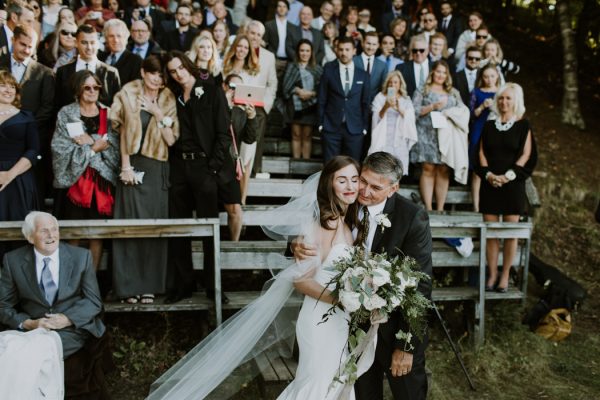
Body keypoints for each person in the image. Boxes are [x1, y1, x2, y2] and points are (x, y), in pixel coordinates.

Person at [146, 155, 363, 400]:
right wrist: (340, 299)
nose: (350, 187)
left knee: (335, 386)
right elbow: (301, 280)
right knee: (318, 386)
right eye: (342, 180)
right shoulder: (324, 222)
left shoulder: (350, 222)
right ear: (328, 184)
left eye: (355, 180)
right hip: (321, 320)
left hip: (340, 321)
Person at [294, 152, 433, 400]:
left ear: (393, 188)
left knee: (408, 394)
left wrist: (406, 347)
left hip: (393, 330)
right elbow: (316, 230)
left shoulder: (411, 217)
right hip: (350, 328)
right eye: (363, 181)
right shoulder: (346, 202)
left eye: (375, 187)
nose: (365, 191)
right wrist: (295, 244)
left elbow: (420, 285)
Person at [0, 211, 111, 397]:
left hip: (72, 330)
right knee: (6, 348)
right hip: (33, 330)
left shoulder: (80, 257)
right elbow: (2, 305)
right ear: (30, 237)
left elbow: (93, 301)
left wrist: (67, 319)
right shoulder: (13, 261)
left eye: (54, 229)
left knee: (26, 355)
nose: (51, 235)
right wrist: (30, 323)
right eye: (44, 231)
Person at [164, 51, 232, 303]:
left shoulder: (211, 91)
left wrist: (212, 168)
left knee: (209, 231)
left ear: (189, 66)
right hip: (179, 166)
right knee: (179, 228)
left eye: (181, 68)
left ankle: (213, 286)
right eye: (173, 71)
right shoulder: (172, 97)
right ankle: (184, 284)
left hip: (204, 168)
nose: (179, 74)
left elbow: (224, 133)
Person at [110, 55, 178, 304]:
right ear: (142, 72)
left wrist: (157, 112)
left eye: (161, 75)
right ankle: (128, 287)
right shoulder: (128, 92)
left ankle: (149, 286)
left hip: (157, 166)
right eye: (152, 73)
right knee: (129, 227)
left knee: (152, 228)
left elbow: (171, 140)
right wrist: (125, 166)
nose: (156, 79)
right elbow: (121, 130)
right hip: (132, 165)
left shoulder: (169, 98)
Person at [51, 70, 120, 270]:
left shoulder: (108, 114)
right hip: (75, 181)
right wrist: (93, 149)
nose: (92, 91)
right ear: (78, 90)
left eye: (96, 87)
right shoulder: (67, 113)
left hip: (102, 181)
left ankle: (92, 282)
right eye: (87, 87)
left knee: (96, 234)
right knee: (74, 233)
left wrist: (90, 141)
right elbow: (60, 148)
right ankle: (71, 282)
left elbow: (114, 146)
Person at [476, 83, 536, 293]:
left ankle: (505, 275)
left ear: (515, 101)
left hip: (513, 185)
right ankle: (492, 274)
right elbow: (481, 153)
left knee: (511, 234)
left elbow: (527, 154)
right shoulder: (489, 125)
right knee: (491, 234)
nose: (504, 102)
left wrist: (508, 176)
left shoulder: (523, 125)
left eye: (508, 98)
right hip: (490, 184)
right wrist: (490, 176)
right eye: (501, 98)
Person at [0, 24, 55, 205]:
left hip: (31, 141)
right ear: (13, 41)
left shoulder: (44, 73)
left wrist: (23, 125)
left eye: (31, 46)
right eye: (22, 44)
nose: (26, 50)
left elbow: (47, 108)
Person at [410, 60, 464, 211]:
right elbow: (413, 111)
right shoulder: (423, 90)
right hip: (425, 133)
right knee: (428, 168)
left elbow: (462, 111)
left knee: (443, 169)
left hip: (445, 136)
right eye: (438, 71)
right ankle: (428, 208)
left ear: (447, 75)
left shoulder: (453, 92)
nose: (441, 75)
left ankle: (440, 208)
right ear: (433, 72)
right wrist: (432, 107)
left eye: (444, 72)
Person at [0, 71, 39, 260]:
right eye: (2, 84)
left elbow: (33, 151)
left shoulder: (26, 116)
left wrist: (9, 174)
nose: (8, 89)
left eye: (12, 86)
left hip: (18, 180)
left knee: (18, 233)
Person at [318, 36, 370, 162]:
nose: (344, 53)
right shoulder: (329, 70)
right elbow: (322, 98)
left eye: (347, 49)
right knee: (330, 166)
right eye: (341, 49)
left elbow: (365, 102)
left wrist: (364, 128)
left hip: (355, 128)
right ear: (336, 50)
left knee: (352, 166)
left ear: (354, 51)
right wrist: (321, 124)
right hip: (331, 127)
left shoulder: (362, 74)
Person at [222, 34, 259, 203]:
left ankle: (241, 199)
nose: (242, 50)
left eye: (246, 47)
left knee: (245, 161)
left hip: (245, 116)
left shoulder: (252, 71)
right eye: (239, 46)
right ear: (234, 47)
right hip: (228, 114)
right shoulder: (223, 67)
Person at [54, 24, 121, 111]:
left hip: (102, 121)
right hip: (70, 122)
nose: (89, 47)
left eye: (92, 42)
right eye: (84, 42)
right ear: (76, 43)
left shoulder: (111, 73)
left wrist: (104, 123)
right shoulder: (63, 72)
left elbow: (116, 107)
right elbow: (57, 104)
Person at [222, 74, 256, 240]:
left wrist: (251, 118)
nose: (236, 91)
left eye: (240, 89)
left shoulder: (240, 112)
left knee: (236, 211)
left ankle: (234, 245)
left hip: (228, 166)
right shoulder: (216, 106)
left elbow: (249, 139)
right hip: (212, 165)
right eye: (233, 87)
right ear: (225, 86)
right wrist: (225, 105)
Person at [368, 71, 417, 176]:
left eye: (395, 82)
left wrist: (399, 108)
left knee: (397, 171)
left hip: (399, 139)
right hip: (383, 137)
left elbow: (410, 119)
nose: (392, 85)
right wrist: (386, 106)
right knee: (381, 169)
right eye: (390, 82)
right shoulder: (380, 97)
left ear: (400, 84)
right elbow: (375, 118)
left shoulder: (406, 100)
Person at [282, 39, 322, 159]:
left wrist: (311, 93)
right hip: (295, 106)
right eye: (302, 50)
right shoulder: (292, 67)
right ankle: (295, 163)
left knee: (307, 135)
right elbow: (285, 87)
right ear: (298, 52)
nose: (304, 53)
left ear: (311, 52)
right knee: (296, 134)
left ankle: (305, 163)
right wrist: (297, 90)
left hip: (311, 106)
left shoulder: (318, 69)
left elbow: (322, 89)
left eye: (307, 51)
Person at [469, 63, 500, 212]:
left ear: (497, 76)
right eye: (486, 76)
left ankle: (492, 205)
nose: (489, 79)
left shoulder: (501, 93)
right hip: (479, 129)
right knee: (478, 171)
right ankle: (476, 207)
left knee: (494, 167)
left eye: (492, 76)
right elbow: (471, 115)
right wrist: (482, 107)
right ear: (482, 77)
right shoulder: (476, 92)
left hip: (495, 131)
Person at [100, 19, 142, 85]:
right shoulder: (100, 57)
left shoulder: (136, 61)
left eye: (119, 36)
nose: (116, 40)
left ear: (126, 38)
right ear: (106, 39)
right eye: (111, 36)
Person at [354, 31, 387, 103]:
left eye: (374, 44)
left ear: (378, 45)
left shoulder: (382, 65)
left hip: (374, 106)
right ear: (362, 43)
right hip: (354, 106)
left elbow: (386, 87)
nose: (371, 47)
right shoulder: (353, 61)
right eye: (368, 43)